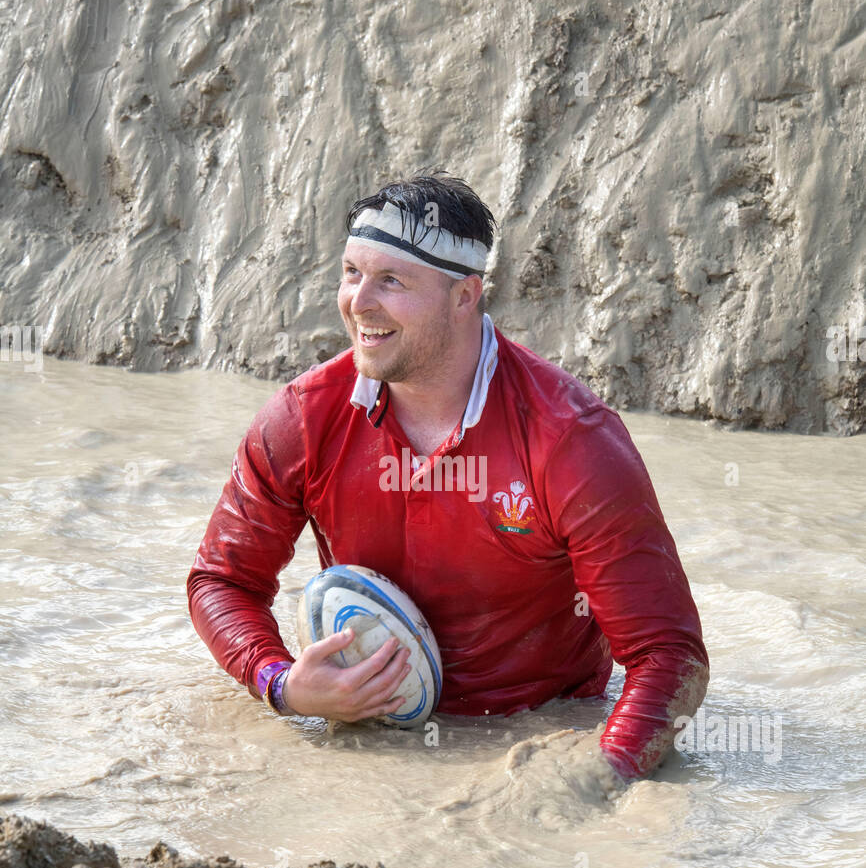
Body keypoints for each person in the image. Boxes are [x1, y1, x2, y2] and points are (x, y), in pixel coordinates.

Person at [187, 170, 709, 781]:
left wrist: (594, 782)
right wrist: (282, 684)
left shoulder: (570, 440)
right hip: (367, 739)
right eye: (352, 273)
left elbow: (668, 657)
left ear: (465, 295)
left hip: (534, 731)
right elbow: (222, 581)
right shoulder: (303, 419)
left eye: (391, 281)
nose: (359, 303)